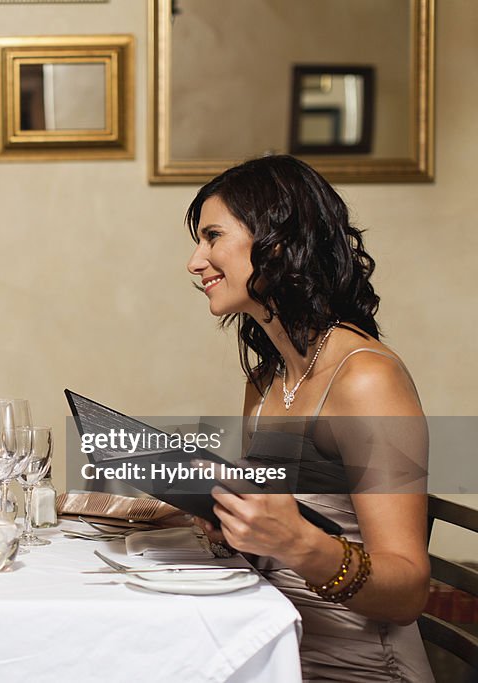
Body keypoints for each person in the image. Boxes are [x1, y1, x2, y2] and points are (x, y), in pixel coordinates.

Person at [185, 155, 433, 681]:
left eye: (212, 237)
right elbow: (281, 527)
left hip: (359, 666)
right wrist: (234, 525)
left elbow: (409, 592)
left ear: (275, 243)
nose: (195, 261)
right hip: (275, 648)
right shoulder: (266, 381)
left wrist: (294, 541)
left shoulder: (366, 380)